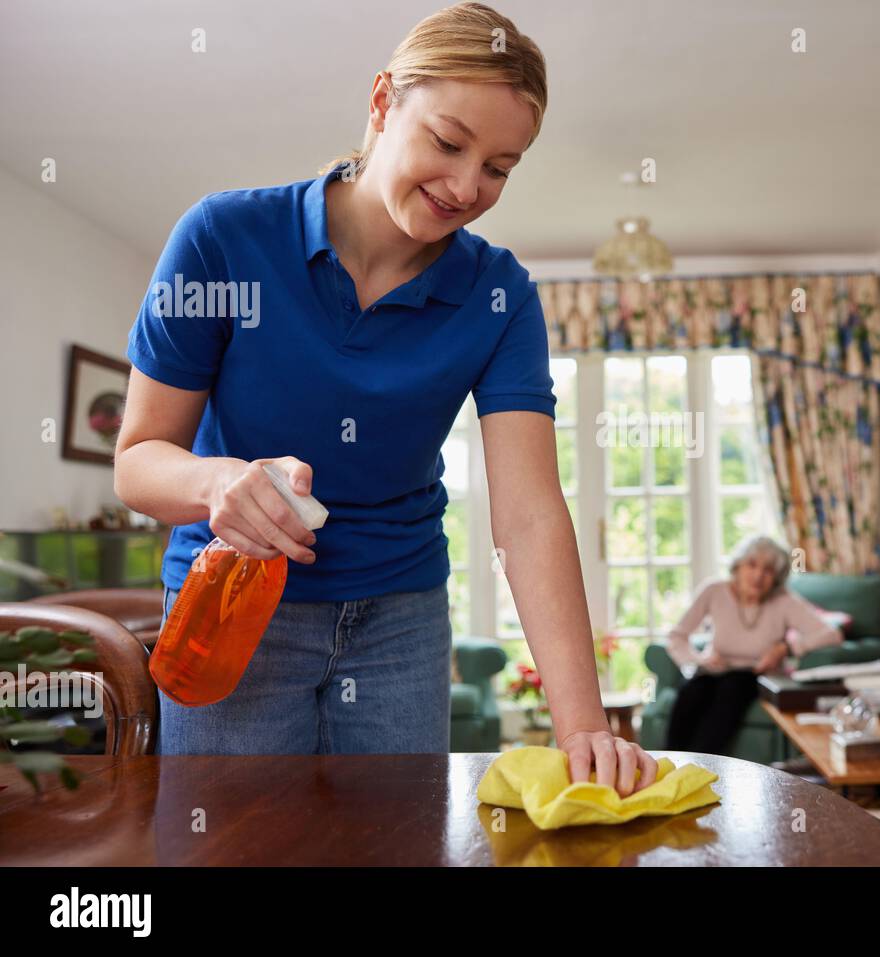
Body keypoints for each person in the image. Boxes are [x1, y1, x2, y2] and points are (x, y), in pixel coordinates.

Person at [113, 2, 659, 796]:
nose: (467, 185)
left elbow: (530, 513)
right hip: (234, 612)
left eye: (500, 167)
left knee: (395, 846)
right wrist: (216, 483)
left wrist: (581, 725)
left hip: (400, 621)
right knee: (226, 848)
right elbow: (137, 461)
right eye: (447, 141)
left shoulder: (498, 294)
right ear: (381, 102)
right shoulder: (223, 239)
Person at [664, 535, 844, 754]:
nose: (759, 575)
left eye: (768, 570)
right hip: (714, 671)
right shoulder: (714, 590)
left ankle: (702, 766)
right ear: (738, 566)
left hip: (755, 676)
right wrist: (698, 660)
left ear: (777, 578)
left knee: (732, 688)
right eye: (752, 565)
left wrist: (786, 648)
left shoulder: (784, 601)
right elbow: (676, 636)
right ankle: (669, 763)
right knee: (693, 689)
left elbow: (831, 634)